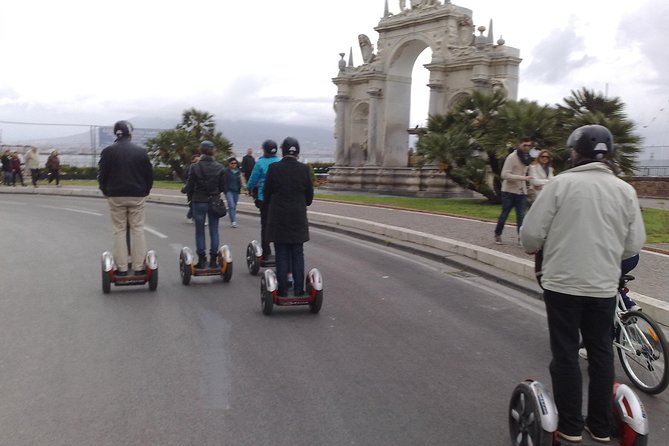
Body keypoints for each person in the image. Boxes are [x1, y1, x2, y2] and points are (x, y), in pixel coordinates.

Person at [520, 124, 646, 443]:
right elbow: (633, 245)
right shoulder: (625, 191)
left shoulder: (559, 184)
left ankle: (571, 426)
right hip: (603, 286)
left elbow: (530, 236)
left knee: (565, 354)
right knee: (602, 353)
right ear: (610, 154)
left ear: (576, 153)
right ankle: (601, 427)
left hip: (562, 283)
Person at [97, 120, 154, 276]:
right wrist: (146, 190)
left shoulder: (108, 151)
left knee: (119, 230)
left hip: (115, 195)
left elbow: (102, 175)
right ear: (130, 134)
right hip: (137, 195)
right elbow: (149, 175)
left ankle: (121, 268)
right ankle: (138, 267)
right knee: (137, 229)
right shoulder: (141, 152)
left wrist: (105, 191)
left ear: (116, 133)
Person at [264, 137, 314, 296]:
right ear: (297, 152)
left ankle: (283, 290)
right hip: (298, 216)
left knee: (281, 252)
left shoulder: (274, 168)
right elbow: (309, 198)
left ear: (282, 151)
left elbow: (266, 194)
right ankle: (299, 290)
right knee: (298, 252)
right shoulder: (304, 169)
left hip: (279, 217)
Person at [181, 140, 227, 269]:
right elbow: (223, 187)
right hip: (214, 201)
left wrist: (184, 189)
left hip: (199, 200)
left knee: (200, 231)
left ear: (201, 151)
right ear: (213, 151)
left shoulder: (195, 167)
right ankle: (213, 259)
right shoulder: (220, 167)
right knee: (214, 230)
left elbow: (189, 186)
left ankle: (202, 259)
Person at [246, 140, 281, 262]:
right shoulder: (280, 162)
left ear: (264, 150)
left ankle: (266, 252)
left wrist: (249, 189)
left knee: (265, 225)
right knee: (277, 224)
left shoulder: (260, 163)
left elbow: (252, 181)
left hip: (263, 198)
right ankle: (279, 251)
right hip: (278, 199)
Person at [494, 137, 533, 245]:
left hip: (521, 192)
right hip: (509, 192)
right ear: (519, 145)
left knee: (521, 216)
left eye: (529, 145)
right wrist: (522, 178)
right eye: (524, 145)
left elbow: (530, 172)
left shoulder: (527, 158)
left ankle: (521, 239)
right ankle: (498, 234)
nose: (527, 147)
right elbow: (504, 174)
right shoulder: (512, 157)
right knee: (504, 214)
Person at [224, 157, 242, 228]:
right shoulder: (226, 171)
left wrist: (240, 188)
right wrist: (225, 190)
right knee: (231, 205)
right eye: (232, 163)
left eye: (235, 163)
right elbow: (224, 181)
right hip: (229, 191)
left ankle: (232, 218)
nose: (234, 164)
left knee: (234, 206)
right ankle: (233, 221)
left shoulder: (237, 171)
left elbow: (239, 181)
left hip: (236, 190)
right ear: (229, 164)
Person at [183, 154, 201, 223]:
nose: (197, 162)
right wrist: (186, 187)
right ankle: (190, 216)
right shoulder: (189, 168)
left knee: (196, 204)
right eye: (196, 160)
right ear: (192, 160)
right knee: (192, 204)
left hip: (198, 189)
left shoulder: (200, 168)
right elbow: (186, 178)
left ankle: (193, 217)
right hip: (191, 189)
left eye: (199, 160)